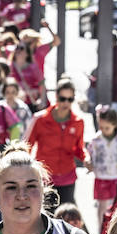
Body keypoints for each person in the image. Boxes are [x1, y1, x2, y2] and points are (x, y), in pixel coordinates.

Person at [23, 77, 86, 205]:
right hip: (45, 177)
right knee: (46, 217)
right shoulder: (40, 119)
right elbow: (26, 146)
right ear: (56, 97)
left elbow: (79, 149)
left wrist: (87, 159)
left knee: (65, 218)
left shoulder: (78, 122)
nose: (66, 103)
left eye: (70, 99)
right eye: (63, 99)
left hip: (68, 177)